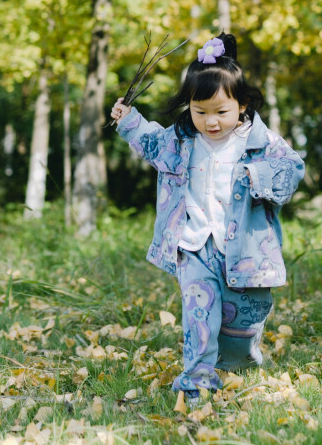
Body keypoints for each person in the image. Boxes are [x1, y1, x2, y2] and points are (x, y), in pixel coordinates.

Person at [110, 33, 304, 398]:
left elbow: (292, 168)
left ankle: (236, 362)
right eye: (200, 112)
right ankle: (197, 382)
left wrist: (256, 176)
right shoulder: (183, 140)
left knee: (243, 315)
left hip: (243, 248)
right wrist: (129, 120)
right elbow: (152, 143)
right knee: (199, 315)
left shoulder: (259, 142)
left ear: (242, 104)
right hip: (193, 245)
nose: (210, 122)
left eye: (220, 112)